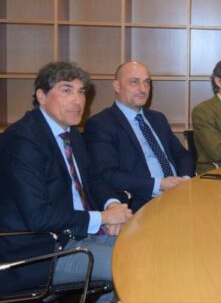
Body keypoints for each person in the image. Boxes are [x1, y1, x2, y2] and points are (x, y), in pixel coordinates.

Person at [0, 62, 132, 301]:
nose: (77, 100)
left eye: (81, 92)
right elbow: (38, 216)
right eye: (66, 90)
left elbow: (92, 177)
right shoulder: (23, 140)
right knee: (132, 267)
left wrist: (113, 205)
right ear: (42, 96)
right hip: (39, 251)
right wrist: (103, 218)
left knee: (144, 247)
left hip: (75, 234)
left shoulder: (69, 132)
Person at [84, 62, 195, 212]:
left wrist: (184, 181)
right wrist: (159, 185)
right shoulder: (101, 124)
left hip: (180, 195)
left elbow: (183, 155)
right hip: (143, 202)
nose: (143, 89)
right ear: (117, 86)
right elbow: (108, 174)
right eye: (134, 82)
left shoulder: (158, 118)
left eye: (146, 82)